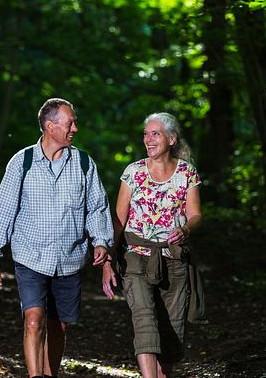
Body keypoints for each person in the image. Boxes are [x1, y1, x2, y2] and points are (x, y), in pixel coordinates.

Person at [0, 97, 114, 378]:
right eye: (70, 123)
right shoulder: (22, 162)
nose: (75, 128)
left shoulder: (84, 164)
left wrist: (100, 241)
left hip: (69, 258)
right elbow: (3, 209)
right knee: (33, 320)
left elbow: (97, 207)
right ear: (50, 127)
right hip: (30, 255)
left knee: (58, 326)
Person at [102, 112, 202, 378]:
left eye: (155, 133)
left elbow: (195, 215)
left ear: (171, 139)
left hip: (174, 259)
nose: (148, 139)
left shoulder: (186, 173)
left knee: (171, 334)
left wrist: (185, 229)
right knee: (144, 321)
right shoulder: (132, 172)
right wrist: (109, 259)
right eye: (146, 134)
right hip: (135, 256)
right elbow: (119, 220)